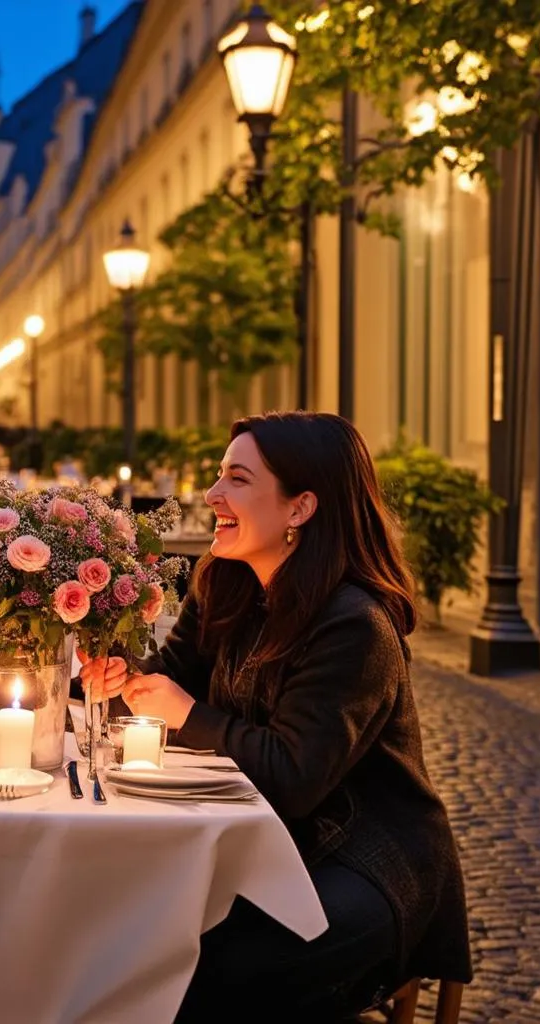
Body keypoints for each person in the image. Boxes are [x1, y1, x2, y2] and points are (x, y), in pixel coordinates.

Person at [81, 412, 472, 1020]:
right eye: (218, 477)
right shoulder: (226, 585)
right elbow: (169, 677)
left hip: (365, 859)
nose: (211, 497)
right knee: (125, 934)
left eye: (237, 479)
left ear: (300, 508)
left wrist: (182, 711)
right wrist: (116, 672)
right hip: (267, 845)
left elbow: (292, 776)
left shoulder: (354, 624)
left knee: (198, 973)